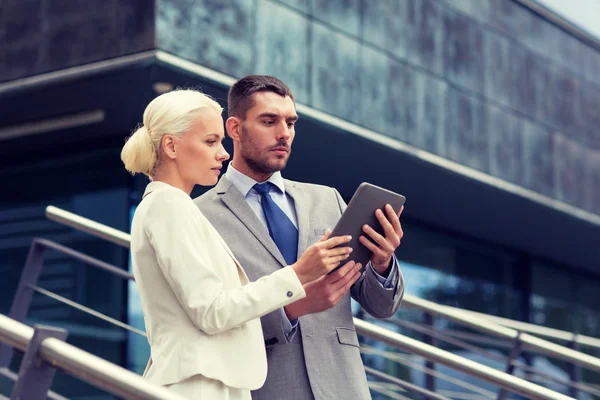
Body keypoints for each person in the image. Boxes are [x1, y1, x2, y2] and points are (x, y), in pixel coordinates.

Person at [121, 89, 358, 399]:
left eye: (220, 142)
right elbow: (211, 311)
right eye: (210, 142)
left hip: (212, 380)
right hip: (199, 385)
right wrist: (298, 274)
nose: (223, 153)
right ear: (171, 145)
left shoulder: (172, 206)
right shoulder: (169, 206)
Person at [195, 76, 405, 400]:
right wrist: (293, 308)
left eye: (291, 122)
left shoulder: (328, 200)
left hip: (344, 388)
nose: (284, 134)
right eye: (269, 121)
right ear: (234, 128)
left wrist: (382, 261)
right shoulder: (200, 217)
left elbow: (382, 307)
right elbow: (211, 323)